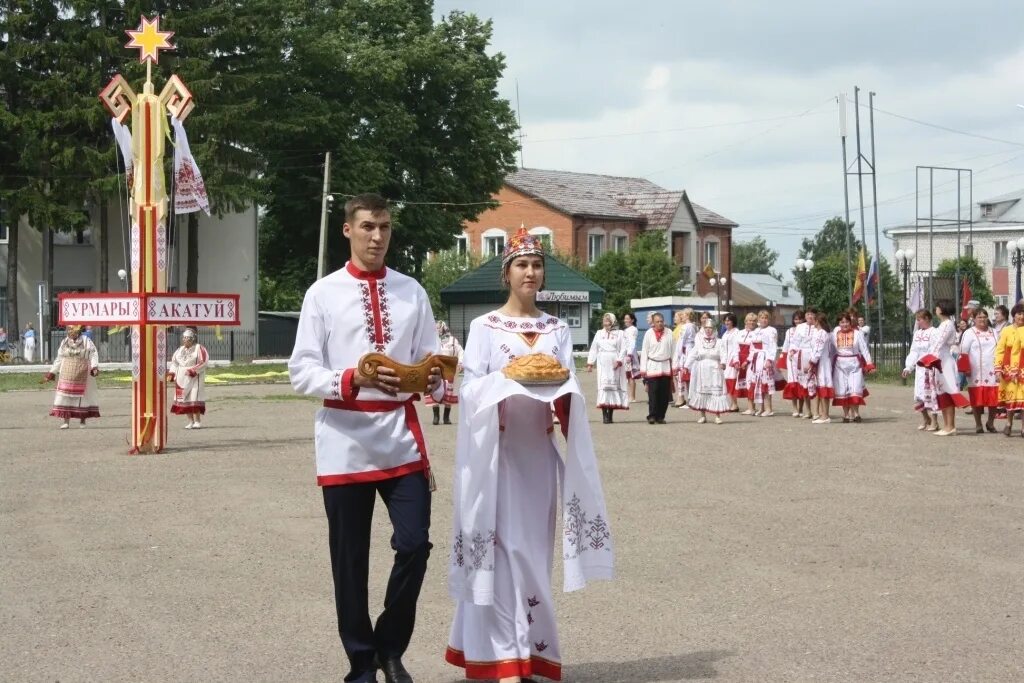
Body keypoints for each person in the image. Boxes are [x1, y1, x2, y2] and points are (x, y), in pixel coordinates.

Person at [446, 228, 613, 682]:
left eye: (536, 265)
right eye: (521, 265)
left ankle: (534, 651)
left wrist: (563, 394)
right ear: (507, 273)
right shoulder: (483, 328)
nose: (530, 272)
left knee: (533, 555)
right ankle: (503, 659)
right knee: (501, 553)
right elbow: (469, 390)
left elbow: (567, 389)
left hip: (537, 458)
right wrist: (507, 380)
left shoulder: (557, 329)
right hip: (495, 459)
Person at [289, 193, 444, 683]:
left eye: (385, 227)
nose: (378, 237)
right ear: (348, 230)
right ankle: (361, 661)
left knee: (415, 544)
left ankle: (390, 646)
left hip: (400, 435)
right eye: (368, 227)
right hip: (344, 438)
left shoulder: (411, 291)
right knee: (349, 561)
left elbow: (430, 361)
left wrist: (433, 378)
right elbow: (301, 371)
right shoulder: (323, 293)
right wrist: (353, 379)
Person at [917, 300, 969, 436]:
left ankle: (950, 425)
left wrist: (929, 359)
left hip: (944, 361)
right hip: (939, 360)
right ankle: (947, 425)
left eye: (937, 307)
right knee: (942, 393)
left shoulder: (947, 324)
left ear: (942, 309)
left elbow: (939, 343)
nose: (936, 309)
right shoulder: (943, 325)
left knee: (948, 391)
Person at [43, 325, 100, 428]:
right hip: (67, 372)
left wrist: (94, 367)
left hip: (82, 371)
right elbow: (59, 358)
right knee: (65, 396)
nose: (71, 333)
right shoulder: (65, 342)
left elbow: (93, 354)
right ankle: (66, 422)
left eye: (73, 331)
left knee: (83, 396)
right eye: (69, 331)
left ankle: (82, 421)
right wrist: (52, 372)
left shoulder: (86, 341)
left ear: (78, 331)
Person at [959, 308, 999, 433]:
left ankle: (990, 423)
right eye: (979, 317)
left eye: (984, 317)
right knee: (976, 399)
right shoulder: (969, 333)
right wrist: (965, 368)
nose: (982, 319)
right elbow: (963, 351)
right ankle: (978, 424)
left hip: (992, 370)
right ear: (974, 319)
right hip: (976, 371)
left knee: (994, 399)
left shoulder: (994, 332)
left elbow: (1000, 349)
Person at [684, 318, 731, 424]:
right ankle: (702, 415)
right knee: (702, 392)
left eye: (710, 328)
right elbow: (693, 354)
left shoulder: (719, 342)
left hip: (715, 368)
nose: (708, 330)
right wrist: (686, 366)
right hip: (702, 369)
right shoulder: (699, 342)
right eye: (706, 328)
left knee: (715, 392)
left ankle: (717, 416)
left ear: (714, 329)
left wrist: (723, 363)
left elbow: (724, 354)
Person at [586, 312, 629, 423]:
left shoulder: (620, 333)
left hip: (614, 362)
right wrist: (590, 363)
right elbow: (594, 348)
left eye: (608, 320)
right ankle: (605, 415)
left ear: (613, 321)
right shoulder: (599, 333)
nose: (606, 322)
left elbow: (624, 348)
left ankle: (610, 415)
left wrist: (619, 361)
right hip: (602, 363)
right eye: (604, 320)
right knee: (603, 387)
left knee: (613, 388)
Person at [831, 312, 874, 423]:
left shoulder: (857, 333)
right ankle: (846, 415)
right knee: (842, 389)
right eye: (842, 322)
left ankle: (856, 414)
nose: (844, 324)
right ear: (838, 324)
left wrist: (869, 363)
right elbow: (831, 350)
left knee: (855, 389)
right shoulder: (834, 333)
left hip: (854, 364)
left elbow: (864, 349)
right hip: (839, 364)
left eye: (846, 322)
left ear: (850, 322)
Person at [902, 310, 938, 431]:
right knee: (919, 396)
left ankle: (934, 421)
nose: (918, 322)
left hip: (930, 367)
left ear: (927, 318)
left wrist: (930, 362)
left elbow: (934, 350)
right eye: (917, 319)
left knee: (931, 395)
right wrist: (909, 366)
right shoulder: (917, 334)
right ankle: (925, 418)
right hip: (919, 368)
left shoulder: (934, 332)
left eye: (920, 319)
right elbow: (914, 351)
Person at [166, 328, 209, 429]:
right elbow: (175, 363)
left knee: (194, 398)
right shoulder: (179, 350)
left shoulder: (199, 348)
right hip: (181, 378)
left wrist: (193, 370)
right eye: (184, 338)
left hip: (194, 378)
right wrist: (172, 373)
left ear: (192, 339)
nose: (185, 341)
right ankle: (190, 421)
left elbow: (204, 362)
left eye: (187, 339)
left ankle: (197, 421)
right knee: (183, 399)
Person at [994, 303, 1024, 437]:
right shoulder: (1006, 331)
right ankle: (1009, 423)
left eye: (1023, 314)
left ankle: (1023, 427)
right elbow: (1000, 350)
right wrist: (998, 368)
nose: (1021, 316)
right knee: (1011, 397)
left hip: (1022, 369)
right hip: (1008, 369)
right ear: (1013, 315)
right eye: (1019, 314)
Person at [426, 321, 464, 426]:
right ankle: (436, 417)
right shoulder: (433, 340)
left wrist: (460, 362)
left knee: (449, 392)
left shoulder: (452, 340)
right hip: (435, 369)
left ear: (443, 328)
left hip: (449, 370)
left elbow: (460, 351)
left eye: (439, 328)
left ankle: (446, 418)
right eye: (436, 328)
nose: (437, 330)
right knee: (434, 390)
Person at [640, 312, 674, 424]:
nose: (660, 323)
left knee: (664, 394)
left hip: (665, 366)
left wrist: (675, 366)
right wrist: (643, 369)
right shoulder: (649, 333)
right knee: (653, 393)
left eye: (661, 321)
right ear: (653, 323)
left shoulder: (669, 333)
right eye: (657, 322)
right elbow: (644, 351)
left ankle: (661, 416)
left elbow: (674, 350)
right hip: (653, 366)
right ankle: (652, 415)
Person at [748, 310, 778, 417]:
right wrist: (750, 359)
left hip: (765, 358)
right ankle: (761, 408)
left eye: (766, 318)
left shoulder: (771, 330)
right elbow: (752, 347)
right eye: (761, 317)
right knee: (758, 384)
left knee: (765, 384)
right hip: (756, 360)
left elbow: (773, 346)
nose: (763, 320)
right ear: (758, 319)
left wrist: (769, 360)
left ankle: (768, 408)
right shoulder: (755, 331)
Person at [809, 312, 835, 424]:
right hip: (826, 361)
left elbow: (818, 350)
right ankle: (825, 414)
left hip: (822, 363)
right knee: (824, 388)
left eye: (814, 319)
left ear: (818, 321)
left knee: (823, 387)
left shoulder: (821, 333)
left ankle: (824, 415)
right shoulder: (827, 333)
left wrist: (811, 362)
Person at [729, 313, 758, 414]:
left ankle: (751, 408)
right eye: (749, 320)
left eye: (754, 321)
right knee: (742, 382)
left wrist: (747, 361)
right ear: (745, 321)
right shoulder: (739, 333)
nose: (751, 322)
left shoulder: (757, 334)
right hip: (739, 359)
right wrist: (736, 360)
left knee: (751, 382)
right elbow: (735, 348)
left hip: (751, 361)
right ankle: (749, 407)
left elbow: (754, 350)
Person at [780, 310, 805, 416]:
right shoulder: (789, 331)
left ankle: (801, 408)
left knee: (802, 383)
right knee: (793, 383)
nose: (797, 321)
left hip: (803, 357)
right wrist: (782, 357)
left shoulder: (806, 329)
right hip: (791, 358)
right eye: (796, 319)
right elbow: (786, 345)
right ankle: (794, 408)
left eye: (799, 319)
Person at [671, 309, 695, 407]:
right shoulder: (694, 326)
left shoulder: (685, 327)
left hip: (685, 352)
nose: (682, 317)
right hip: (691, 350)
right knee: (689, 377)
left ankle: (684, 399)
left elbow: (680, 342)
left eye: (684, 315)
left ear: (688, 316)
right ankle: (690, 399)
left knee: (683, 376)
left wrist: (678, 356)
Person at [719, 313, 740, 412]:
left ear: (733, 321)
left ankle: (735, 404)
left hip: (732, 359)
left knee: (732, 381)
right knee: (727, 382)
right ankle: (731, 403)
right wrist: (722, 361)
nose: (727, 322)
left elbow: (737, 347)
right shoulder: (725, 333)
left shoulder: (736, 332)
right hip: (725, 360)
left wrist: (735, 360)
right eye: (725, 320)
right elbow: (722, 349)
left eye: (729, 320)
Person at [621, 312, 640, 403]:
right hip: (626, 355)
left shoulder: (633, 329)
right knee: (628, 376)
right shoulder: (626, 330)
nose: (626, 320)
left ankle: (632, 397)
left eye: (628, 318)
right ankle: (630, 396)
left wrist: (629, 355)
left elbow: (632, 343)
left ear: (632, 320)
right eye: (625, 318)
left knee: (631, 375)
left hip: (630, 355)